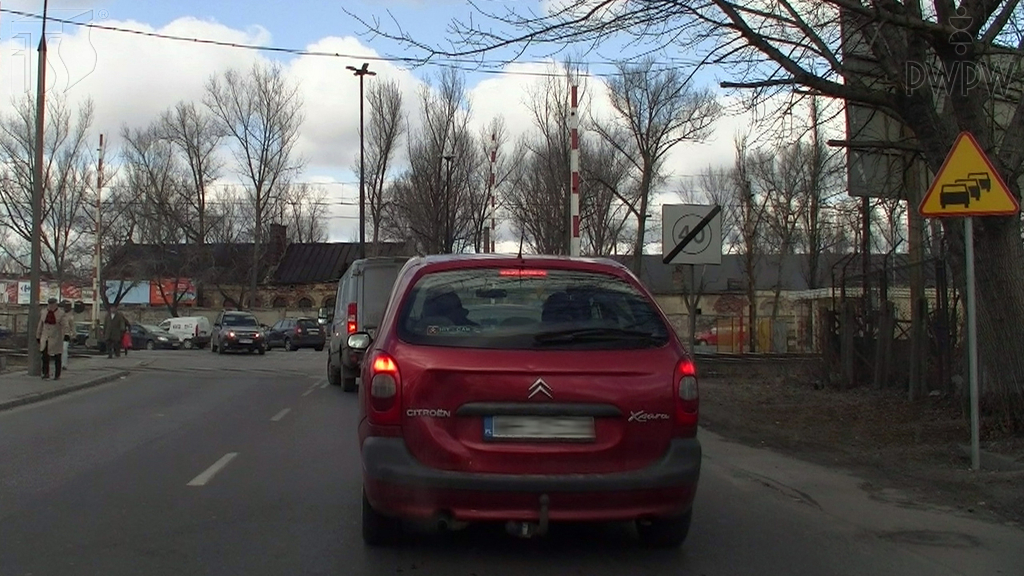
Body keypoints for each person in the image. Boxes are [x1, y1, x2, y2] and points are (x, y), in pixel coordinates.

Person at [36, 297, 69, 380]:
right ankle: (45, 373)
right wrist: (38, 336)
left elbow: (65, 325)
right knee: (44, 356)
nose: (51, 306)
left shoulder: (61, 313)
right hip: (45, 337)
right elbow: (40, 324)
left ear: (55, 304)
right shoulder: (44, 312)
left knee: (57, 356)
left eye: (52, 304)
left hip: (56, 337)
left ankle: (57, 375)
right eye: (49, 304)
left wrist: (66, 334)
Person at [61, 300, 74, 371]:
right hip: (58, 335)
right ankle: (60, 363)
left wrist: (73, 334)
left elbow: (72, 326)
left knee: (64, 349)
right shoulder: (59, 315)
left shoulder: (70, 317)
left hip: (66, 335)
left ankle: (64, 364)